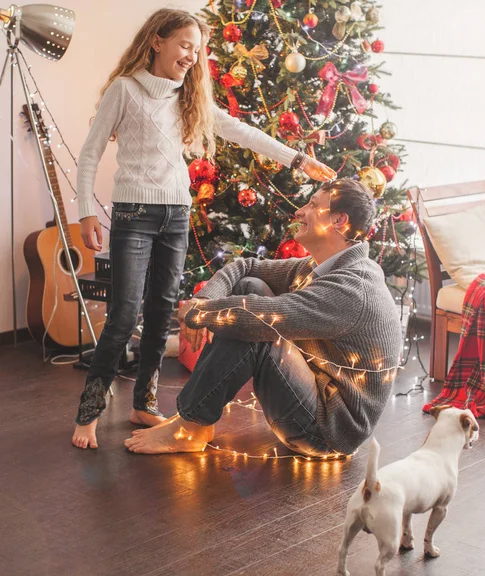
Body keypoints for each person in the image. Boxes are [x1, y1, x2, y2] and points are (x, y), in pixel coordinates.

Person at [71, 8, 336, 450]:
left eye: (197, 49)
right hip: (133, 215)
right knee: (123, 315)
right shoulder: (125, 89)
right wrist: (83, 212)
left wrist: (296, 158)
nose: (192, 56)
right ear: (157, 41)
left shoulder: (187, 98)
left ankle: (143, 401)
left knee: (161, 312)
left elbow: (240, 131)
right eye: (185, 45)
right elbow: (89, 154)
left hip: (175, 214)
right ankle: (90, 411)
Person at [124, 178, 403, 457]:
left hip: (326, 432)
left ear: (339, 220)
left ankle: (191, 426)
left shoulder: (352, 290)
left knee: (257, 322)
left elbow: (261, 318)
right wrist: (202, 300)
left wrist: (197, 314)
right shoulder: (320, 267)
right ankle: (194, 424)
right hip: (315, 393)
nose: (299, 211)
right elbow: (247, 266)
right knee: (251, 288)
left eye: (313, 205)